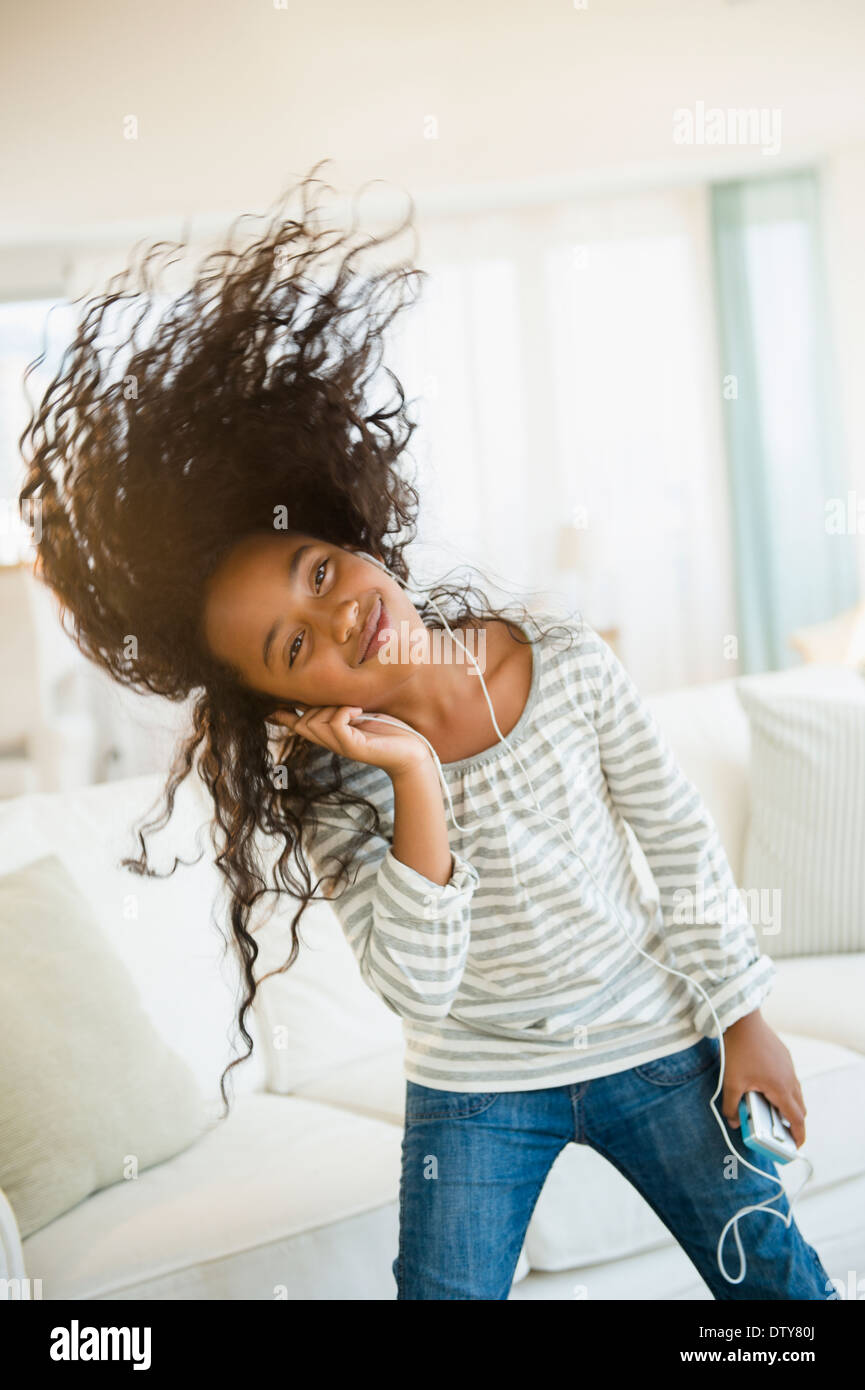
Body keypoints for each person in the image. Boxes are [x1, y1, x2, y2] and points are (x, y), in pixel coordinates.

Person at [17, 163, 832, 1301]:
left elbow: (679, 836)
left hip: (651, 1043)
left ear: (352, 532)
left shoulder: (560, 658)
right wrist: (410, 774)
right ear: (288, 706)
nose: (338, 609)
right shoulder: (333, 795)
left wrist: (745, 1019)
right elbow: (422, 991)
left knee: (781, 1296)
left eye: (318, 569)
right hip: (475, 1089)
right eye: (297, 645)